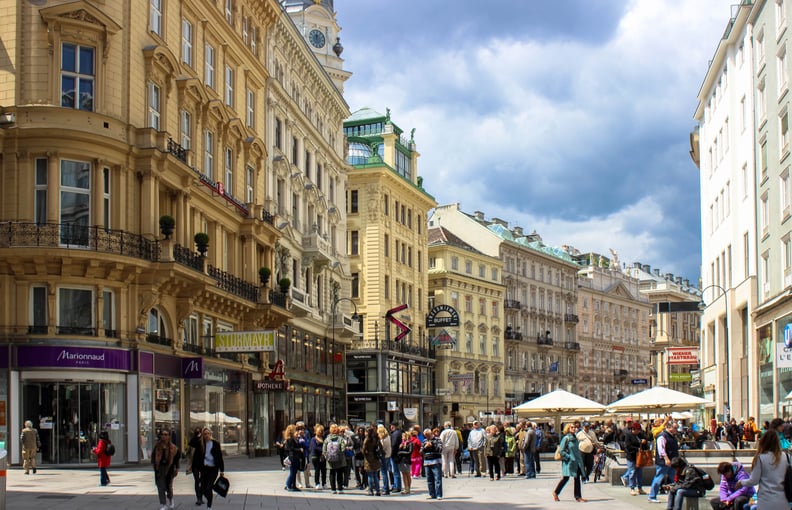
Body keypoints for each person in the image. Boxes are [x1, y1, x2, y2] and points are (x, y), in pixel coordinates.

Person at [735, 429, 791, 508]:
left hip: (766, 501)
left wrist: (741, 482)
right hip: (783, 500)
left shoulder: (760, 458)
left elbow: (753, 481)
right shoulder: (786, 456)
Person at [552, 423, 586, 503]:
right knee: (565, 478)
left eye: (575, 427)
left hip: (577, 462)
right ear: (568, 429)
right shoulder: (566, 438)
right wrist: (568, 457)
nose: (574, 428)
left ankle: (578, 497)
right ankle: (556, 492)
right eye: (572, 427)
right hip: (569, 462)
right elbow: (561, 450)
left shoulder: (575, 438)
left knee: (577, 478)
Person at [648, 421, 679, 503]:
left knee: (674, 479)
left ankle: (675, 496)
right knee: (658, 478)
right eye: (675, 428)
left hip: (673, 462)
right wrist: (666, 459)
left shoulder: (672, 436)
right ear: (669, 427)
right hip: (664, 462)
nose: (676, 430)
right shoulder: (662, 436)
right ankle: (652, 496)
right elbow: (661, 449)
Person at [152, 429, 180, 510]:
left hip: (170, 468)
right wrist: (155, 467)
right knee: (160, 486)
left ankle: (170, 499)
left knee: (168, 486)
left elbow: (176, 460)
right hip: (160, 468)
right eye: (162, 434)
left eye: (166, 434)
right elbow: (153, 458)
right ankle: (163, 504)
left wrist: (177, 469)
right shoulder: (157, 447)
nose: (164, 436)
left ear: (169, 436)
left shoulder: (173, 448)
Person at [198, 427, 224, 510]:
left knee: (209, 488)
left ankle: (209, 506)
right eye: (205, 434)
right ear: (202, 435)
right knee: (204, 489)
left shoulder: (215, 443)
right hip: (204, 469)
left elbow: (220, 457)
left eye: (208, 434)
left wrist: (222, 470)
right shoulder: (201, 444)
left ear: (211, 434)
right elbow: (198, 457)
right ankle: (209, 498)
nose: (207, 435)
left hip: (213, 469)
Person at [621, 421, 648, 496]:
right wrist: (637, 448)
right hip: (631, 456)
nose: (638, 431)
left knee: (640, 473)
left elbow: (647, 441)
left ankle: (640, 488)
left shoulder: (641, 435)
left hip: (640, 457)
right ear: (633, 429)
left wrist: (645, 442)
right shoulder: (628, 435)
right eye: (637, 430)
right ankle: (632, 488)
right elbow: (628, 446)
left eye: (639, 430)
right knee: (632, 472)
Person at [323, 424, 347, 494]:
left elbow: (324, 449)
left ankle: (333, 489)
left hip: (330, 459)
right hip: (339, 460)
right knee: (339, 474)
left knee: (332, 473)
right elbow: (343, 449)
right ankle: (340, 489)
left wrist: (327, 456)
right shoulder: (340, 439)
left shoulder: (327, 439)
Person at [421, 428, 443, 500]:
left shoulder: (437, 439)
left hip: (436, 461)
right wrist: (425, 447)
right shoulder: (424, 441)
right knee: (429, 479)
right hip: (427, 461)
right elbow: (421, 451)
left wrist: (432, 445)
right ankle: (432, 494)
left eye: (428, 435)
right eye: (425, 436)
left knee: (437, 479)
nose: (427, 437)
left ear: (431, 434)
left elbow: (440, 449)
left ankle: (439, 494)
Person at [362, 425, 382, 496]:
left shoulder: (367, 439)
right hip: (375, 457)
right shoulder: (376, 438)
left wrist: (364, 453)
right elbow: (380, 447)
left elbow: (363, 449)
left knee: (370, 475)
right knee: (375, 475)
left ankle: (371, 491)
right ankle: (378, 490)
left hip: (369, 458)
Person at [186, 427, 203, 505]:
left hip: (203, 464)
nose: (198, 433)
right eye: (197, 432)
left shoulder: (204, 441)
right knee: (197, 480)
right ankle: (199, 498)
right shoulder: (192, 441)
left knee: (202, 481)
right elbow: (188, 452)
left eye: (199, 432)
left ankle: (201, 497)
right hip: (195, 464)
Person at [396, 429, 414, 494]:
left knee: (407, 474)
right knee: (403, 474)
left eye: (403, 436)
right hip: (402, 460)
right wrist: (400, 448)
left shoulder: (410, 443)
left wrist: (401, 452)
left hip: (407, 460)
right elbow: (399, 451)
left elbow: (409, 452)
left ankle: (408, 488)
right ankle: (405, 487)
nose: (402, 438)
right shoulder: (402, 444)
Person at [283, 424, 301, 492]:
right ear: (292, 431)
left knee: (294, 472)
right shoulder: (290, 439)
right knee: (292, 472)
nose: (297, 431)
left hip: (295, 457)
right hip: (292, 457)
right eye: (295, 430)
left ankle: (293, 485)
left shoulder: (294, 439)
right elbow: (291, 449)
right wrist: (299, 449)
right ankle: (288, 484)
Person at [309, 424, 327, 490]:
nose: (320, 432)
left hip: (323, 456)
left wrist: (324, 452)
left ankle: (324, 483)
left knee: (324, 470)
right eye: (319, 431)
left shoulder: (324, 438)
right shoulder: (313, 439)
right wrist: (323, 450)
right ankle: (317, 483)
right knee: (317, 470)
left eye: (321, 431)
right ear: (315, 431)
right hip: (315, 456)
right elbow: (314, 447)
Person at [376, 424, 392, 495]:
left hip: (383, 457)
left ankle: (386, 488)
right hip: (388, 455)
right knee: (386, 472)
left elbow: (381, 449)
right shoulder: (388, 437)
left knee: (384, 473)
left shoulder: (382, 440)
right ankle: (386, 487)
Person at [388, 424, 403, 493]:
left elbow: (394, 445)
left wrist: (391, 453)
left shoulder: (396, 434)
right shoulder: (396, 433)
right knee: (394, 471)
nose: (391, 427)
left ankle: (397, 486)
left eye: (392, 426)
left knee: (395, 471)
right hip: (395, 454)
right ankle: (395, 485)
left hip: (394, 455)